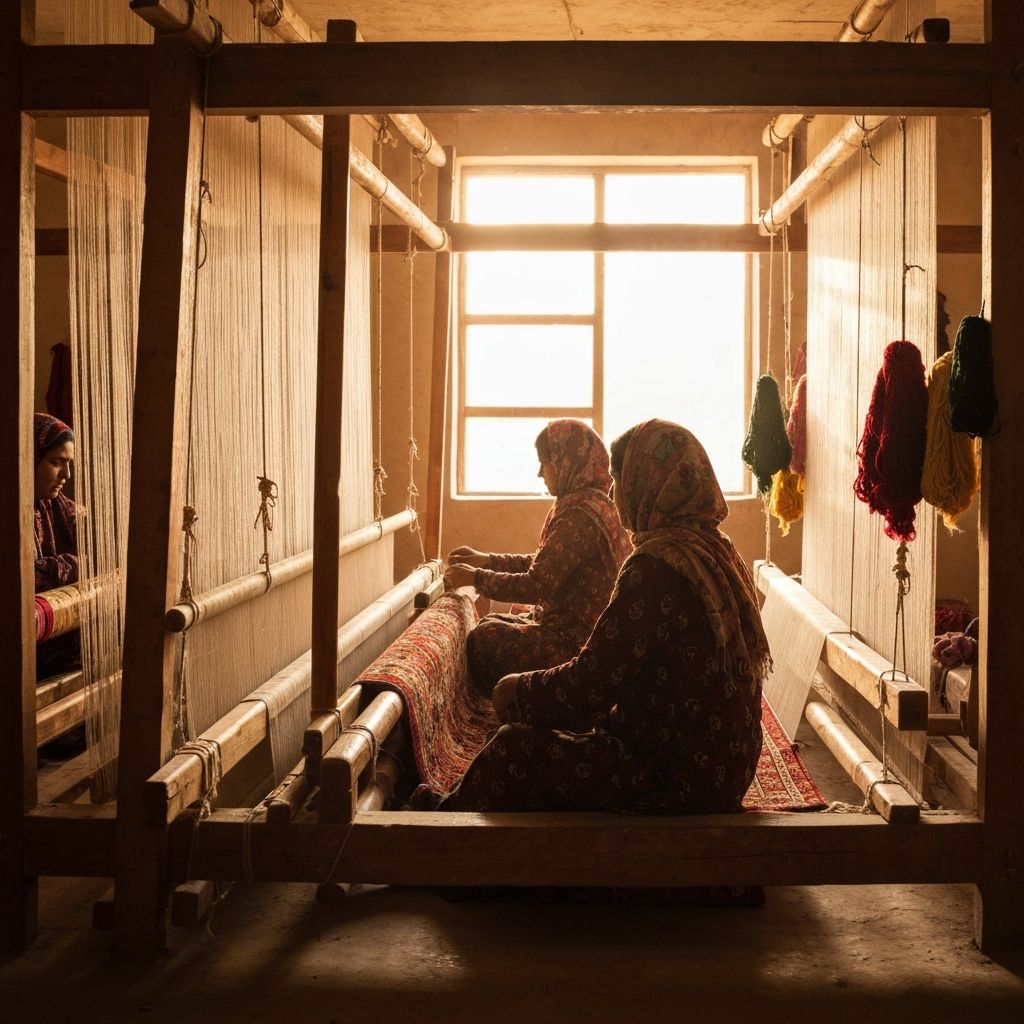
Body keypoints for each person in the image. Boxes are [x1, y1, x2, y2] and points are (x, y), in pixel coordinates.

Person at [442, 419, 770, 813]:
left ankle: (438, 822)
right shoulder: (716, 552)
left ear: (647, 481)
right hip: (726, 766)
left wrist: (521, 692)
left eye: (621, 480)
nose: (614, 493)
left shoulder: (657, 568)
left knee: (511, 751)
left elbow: (592, 683)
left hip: (674, 774)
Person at [445, 418, 631, 697]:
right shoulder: (592, 503)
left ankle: (512, 702)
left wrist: (475, 578)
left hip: (577, 644)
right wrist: (486, 560)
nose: (539, 473)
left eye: (545, 463)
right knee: (488, 625)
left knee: (484, 640)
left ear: (564, 462)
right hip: (576, 629)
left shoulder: (579, 514)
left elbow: (538, 584)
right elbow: (545, 563)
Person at [33, 412, 81, 684]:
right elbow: (22, 576)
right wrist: (77, 564)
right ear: (30, 458)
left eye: (69, 463)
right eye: (56, 463)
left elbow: (101, 546)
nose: (66, 475)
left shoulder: (56, 507)